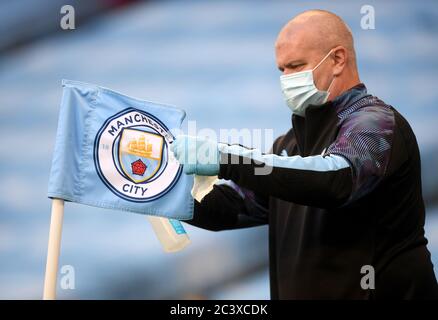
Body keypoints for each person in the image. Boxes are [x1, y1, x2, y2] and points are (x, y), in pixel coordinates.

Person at [170, 9, 438, 299]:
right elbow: (235, 208)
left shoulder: (377, 123)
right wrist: (162, 189)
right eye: (281, 70)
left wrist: (227, 159)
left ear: (337, 60)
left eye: (296, 66)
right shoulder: (289, 145)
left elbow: (334, 179)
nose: (286, 79)